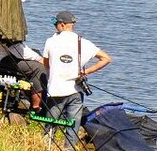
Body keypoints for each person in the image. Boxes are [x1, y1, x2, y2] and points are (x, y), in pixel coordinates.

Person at [41, 11, 111, 142]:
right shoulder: (83, 42)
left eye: (56, 24)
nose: (55, 27)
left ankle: (46, 150)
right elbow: (106, 58)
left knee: (50, 126)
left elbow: (46, 63)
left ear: (62, 24)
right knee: (72, 129)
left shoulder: (51, 41)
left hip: (56, 91)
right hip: (76, 92)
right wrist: (86, 71)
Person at [0, 39, 47, 111]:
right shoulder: (9, 34)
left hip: (3, 55)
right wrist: (39, 58)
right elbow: (16, 49)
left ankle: (37, 99)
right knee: (39, 68)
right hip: (3, 59)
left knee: (36, 54)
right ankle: (36, 106)